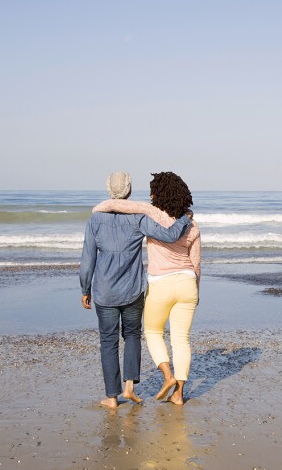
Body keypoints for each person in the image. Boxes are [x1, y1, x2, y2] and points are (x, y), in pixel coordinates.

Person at [79, 171, 193, 410]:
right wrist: (185, 218)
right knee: (132, 335)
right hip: (132, 290)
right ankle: (129, 387)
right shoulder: (138, 218)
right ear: (129, 191)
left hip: (105, 292)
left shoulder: (95, 220)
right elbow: (170, 235)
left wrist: (85, 287)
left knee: (108, 341)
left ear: (109, 190)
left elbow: (88, 258)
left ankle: (112, 397)